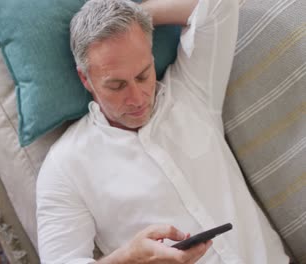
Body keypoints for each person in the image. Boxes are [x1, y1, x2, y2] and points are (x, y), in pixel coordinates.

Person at [36, 0, 290, 263]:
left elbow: (217, 5)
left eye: (143, 75)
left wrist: (135, 20)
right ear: (85, 78)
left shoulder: (192, 92)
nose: (136, 98)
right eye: (117, 85)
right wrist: (130, 258)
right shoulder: (65, 167)